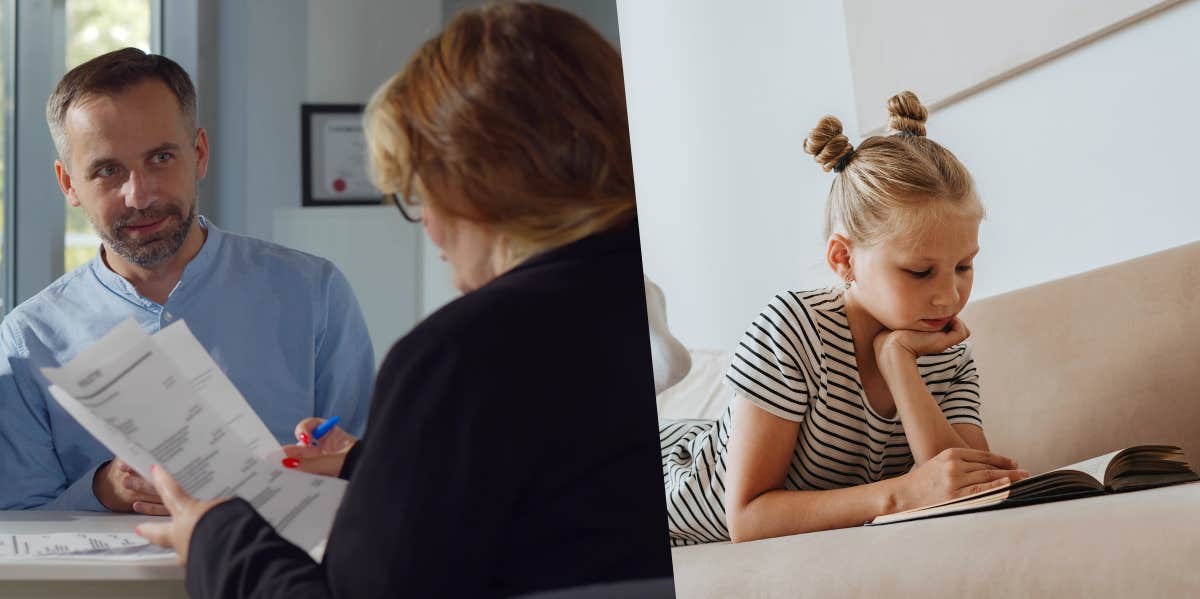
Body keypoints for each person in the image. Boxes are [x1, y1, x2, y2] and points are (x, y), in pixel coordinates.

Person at [136, 4, 674, 597]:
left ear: (472, 181)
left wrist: (215, 533)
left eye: (418, 192)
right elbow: (559, 499)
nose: (428, 229)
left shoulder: (459, 355)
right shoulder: (637, 305)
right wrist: (376, 465)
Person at [0, 49, 375, 514]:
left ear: (198, 155)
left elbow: (376, 479)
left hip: (276, 581)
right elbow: (18, 519)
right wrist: (103, 489)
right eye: (107, 170)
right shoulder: (27, 338)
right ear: (68, 184)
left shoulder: (314, 293)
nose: (138, 196)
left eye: (160, 157)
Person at [660, 91, 1032, 545]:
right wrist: (901, 494)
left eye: (964, 266)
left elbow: (968, 488)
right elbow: (747, 517)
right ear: (843, 259)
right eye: (919, 271)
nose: (949, 296)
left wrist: (899, 363)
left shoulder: (945, 355)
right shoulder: (793, 330)